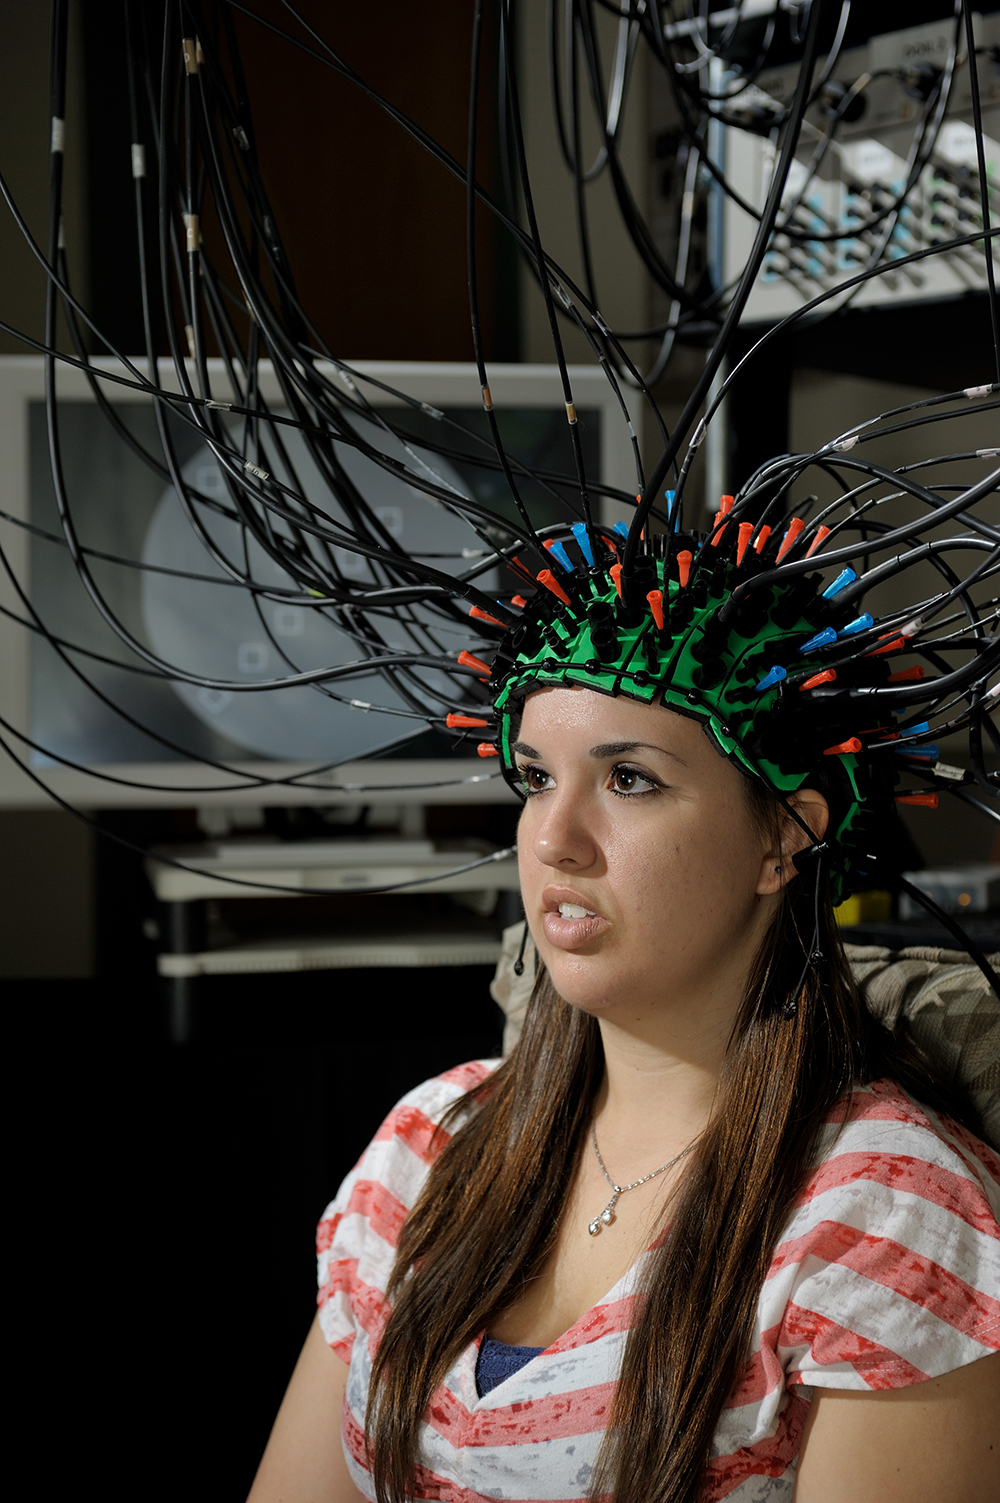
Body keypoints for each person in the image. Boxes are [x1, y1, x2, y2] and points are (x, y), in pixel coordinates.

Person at [248, 512, 1000, 1503]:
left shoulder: (880, 1218)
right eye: (533, 778)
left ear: (785, 834)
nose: (553, 838)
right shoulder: (429, 1145)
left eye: (628, 779)